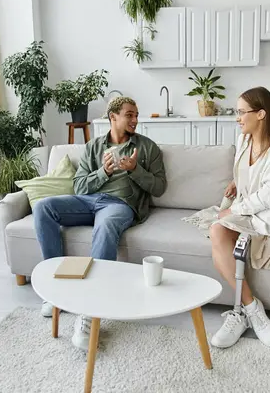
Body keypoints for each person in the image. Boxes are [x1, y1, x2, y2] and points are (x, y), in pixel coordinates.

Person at [32, 96, 167, 351]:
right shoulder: (94, 147)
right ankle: (56, 291)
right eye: (130, 115)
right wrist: (102, 172)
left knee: (105, 227)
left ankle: (90, 311)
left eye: (137, 115)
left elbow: (160, 188)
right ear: (113, 117)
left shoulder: (148, 148)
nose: (135, 120)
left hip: (120, 205)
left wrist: (135, 170)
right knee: (43, 207)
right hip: (89, 201)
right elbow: (79, 186)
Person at [209, 86, 270, 349]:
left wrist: (234, 210)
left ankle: (245, 313)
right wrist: (236, 183)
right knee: (217, 230)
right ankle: (251, 310)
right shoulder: (244, 140)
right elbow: (249, 172)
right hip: (250, 207)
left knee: (223, 221)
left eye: (241, 112)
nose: (237, 118)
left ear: (261, 114)